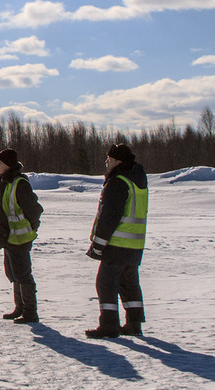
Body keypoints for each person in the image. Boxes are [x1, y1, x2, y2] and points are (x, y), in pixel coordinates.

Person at [85, 143, 148, 339]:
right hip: (135, 245)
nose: (106, 162)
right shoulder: (137, 181)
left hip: (117, 244)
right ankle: (134, 323)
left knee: (105, 283)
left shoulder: (118, 182)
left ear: (118, 161)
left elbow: (109, 217)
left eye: (109, 159)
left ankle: (109, 325)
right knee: (129, 284)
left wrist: (98, 244)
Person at [0, 148, 43, 324]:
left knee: (23, 274)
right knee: (13, 273)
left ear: (8, 165)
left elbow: (34, 210)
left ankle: (30, 312)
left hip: (19, 237)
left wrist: (29, 228)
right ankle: (19, 308)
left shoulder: (19, 183)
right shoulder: (4, 183)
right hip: (9, 238)